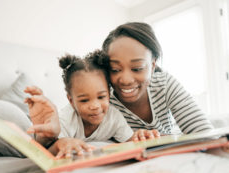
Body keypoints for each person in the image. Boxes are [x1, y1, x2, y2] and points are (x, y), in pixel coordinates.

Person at [25, 50, 160, 158]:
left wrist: (139, 136)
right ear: (71, 101)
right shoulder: (66, 118)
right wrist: (62, 143)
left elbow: (129, 141)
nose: (95, 106)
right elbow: (49, 150)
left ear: (109, 93)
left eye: (101, 97)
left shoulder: (114, 116)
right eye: (84, 100)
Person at [101, 22, 213, 134]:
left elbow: (203, 132)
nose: (126, 80)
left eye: (137, 68)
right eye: (114, 69)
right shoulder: (103, 99)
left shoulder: (164, 84)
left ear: (153, 66)